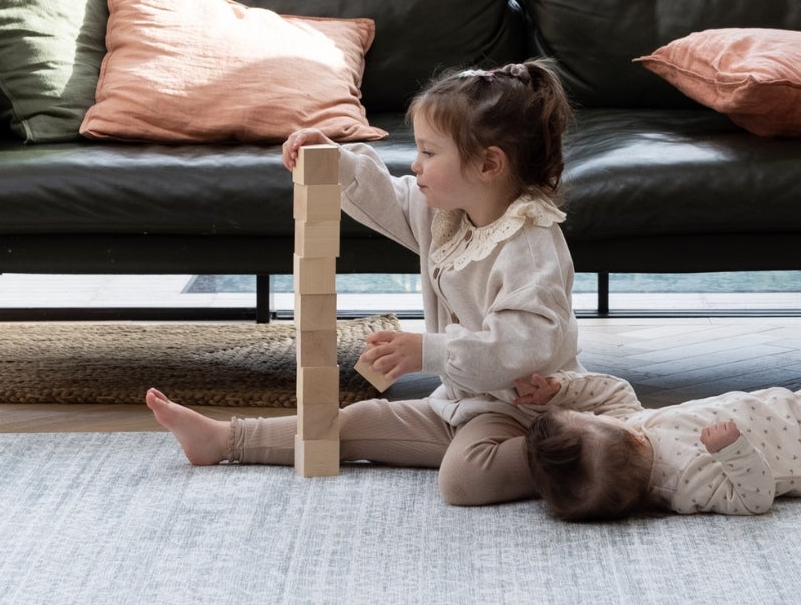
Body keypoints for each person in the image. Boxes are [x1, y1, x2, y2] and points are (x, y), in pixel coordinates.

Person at [147, 60, 581, 504]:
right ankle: (225, 440)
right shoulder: (449, 215)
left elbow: (520, 347)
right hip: (461, 405)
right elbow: (388, 198)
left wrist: (426, 351)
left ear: (488, 164)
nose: (416, 165)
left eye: (430, 153)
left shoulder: (529, 246)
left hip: (524, 410)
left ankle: (577, 449)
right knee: (352, 423)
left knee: (465, 477)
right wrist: (336, 160)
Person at [509, 370, 801, 520]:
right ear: (629, 438)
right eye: (590, 416)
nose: (598, 411)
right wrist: (731, 451)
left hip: (791, 407)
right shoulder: (685, 487)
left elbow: (613, 393)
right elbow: (753, 499)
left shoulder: (633, 424)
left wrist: (563, 389)